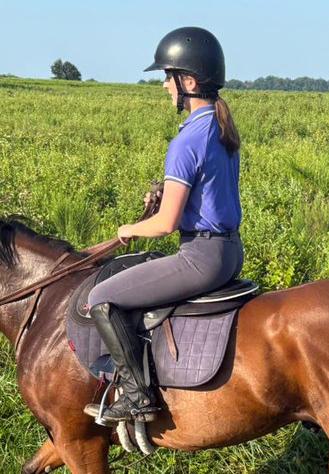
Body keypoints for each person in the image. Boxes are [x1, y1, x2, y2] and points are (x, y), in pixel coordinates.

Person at [84, 26, 243, 425]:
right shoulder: (220, 128)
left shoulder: (186, 141)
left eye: (168, 78)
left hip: (201, 257)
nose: (165, 87)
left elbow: (166, 224)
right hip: (230, 251)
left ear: (188, 82)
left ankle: (137, 396)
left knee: (102, 296)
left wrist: (129, 229)